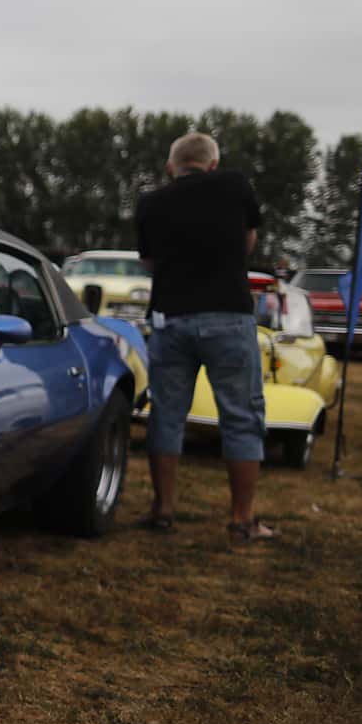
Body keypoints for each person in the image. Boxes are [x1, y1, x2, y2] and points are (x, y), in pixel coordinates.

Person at [135, 131, 275, 542]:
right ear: (212, 164)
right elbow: (247, 242)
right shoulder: (234, 186)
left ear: (170, 167)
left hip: (170, 318)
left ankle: (162, 511)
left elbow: (148, 263)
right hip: (228, 316)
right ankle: (242, 518)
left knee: (167, 414)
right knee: (241, 417)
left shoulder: (151, 202)